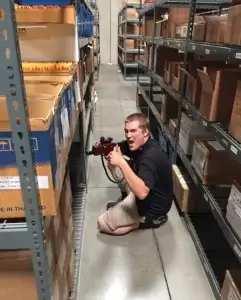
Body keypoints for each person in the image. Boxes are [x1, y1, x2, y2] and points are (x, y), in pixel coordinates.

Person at [97, 113, 173, 235]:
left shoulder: (149, 158)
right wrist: (108, 148)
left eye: (133, 131)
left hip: (151, 207)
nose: (128, 135)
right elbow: (121, 147)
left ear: (145, 132)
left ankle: (142, 222)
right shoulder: (140, 143)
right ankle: (126, 199)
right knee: (113, 162)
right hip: (144, 193)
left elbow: (142, 193)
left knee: (102, 223)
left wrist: (121, 162)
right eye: (126, 131)